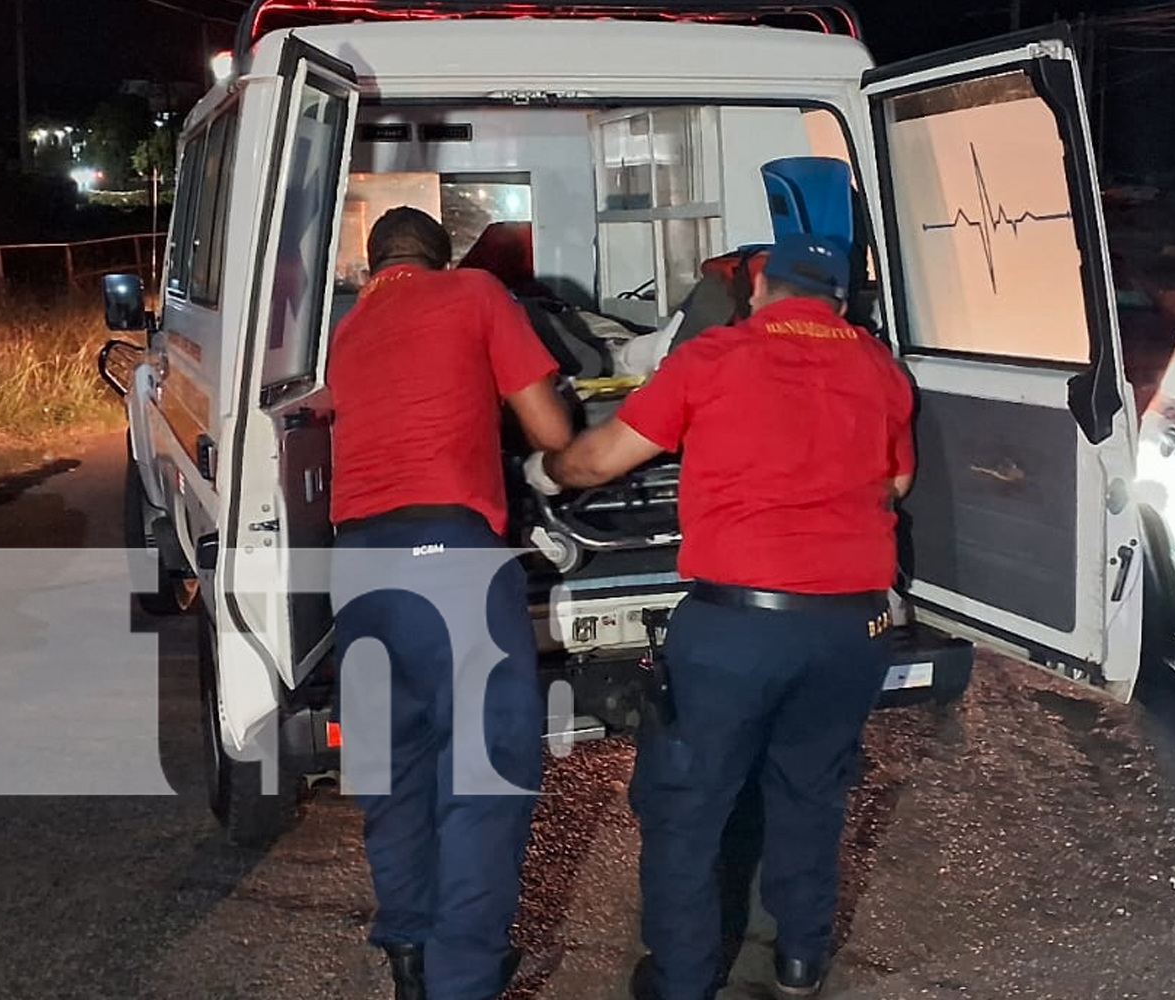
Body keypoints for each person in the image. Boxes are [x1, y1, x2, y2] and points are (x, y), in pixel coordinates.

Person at [523, 233, 915, 1000]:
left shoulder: (712, 359)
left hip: (738, 627)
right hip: (852, 628)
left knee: (688, 807)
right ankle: (800, 961)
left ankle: (683, 980)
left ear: (760, 287)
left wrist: (548, 469)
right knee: (811, 790)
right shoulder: (880, 368)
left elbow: (602, 462)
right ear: (840, 298)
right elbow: (898, 482)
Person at [327, 206, 574, 1000]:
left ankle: (409, 945)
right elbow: (549, 429)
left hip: (357, 567)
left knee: (395, 766)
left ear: (374, 270)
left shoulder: (348, 329)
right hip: (450, 558)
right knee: (485, 770)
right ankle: (462, 979)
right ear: (443, 258)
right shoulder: (475, 293)